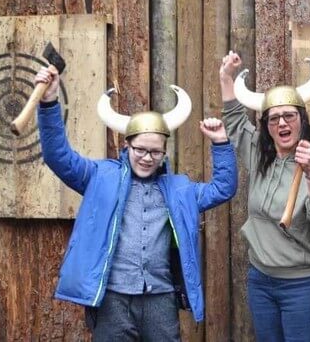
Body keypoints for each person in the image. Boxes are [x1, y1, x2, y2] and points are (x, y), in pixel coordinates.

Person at [35, 67, 238, 341]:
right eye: (140, 149)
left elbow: (223, 188)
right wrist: (48, 103)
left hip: (160, 299)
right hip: (112, 299)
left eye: (155, 151)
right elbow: (57, 156)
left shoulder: (180, 190)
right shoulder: (99, 177)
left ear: (164, 153)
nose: (146, 157)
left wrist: (221, 143)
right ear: (127, 145)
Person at [219, 50, 310, 342]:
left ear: (301, 119)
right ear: (266, 127)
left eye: (289, 116)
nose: (282, 124)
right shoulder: (260, 155)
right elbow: (235, 121)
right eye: (273, 119)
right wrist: (226, 78)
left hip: (305, 285)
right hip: (261, 280)